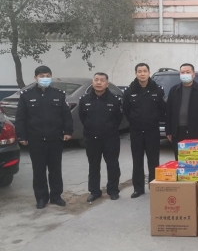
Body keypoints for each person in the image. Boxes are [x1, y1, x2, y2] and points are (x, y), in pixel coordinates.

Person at [15, 66, 73, 209]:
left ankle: (56, 196)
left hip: (55, 138)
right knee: (39, 170)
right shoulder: (26, 95)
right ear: (35, 78)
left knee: (55, 169)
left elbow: (66, 115)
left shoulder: (59, 94)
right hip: (35, 139)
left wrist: (68, 131)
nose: (45, 78)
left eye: (47, 75)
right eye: (42, 76)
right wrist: (22, 136)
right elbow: (20, 118)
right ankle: (41, 198)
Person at [79, 73, 123, 203]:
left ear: (107, 84)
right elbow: (83, 118)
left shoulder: (114, 100)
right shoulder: (84, 100)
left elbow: (118, 119)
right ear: (92, 82)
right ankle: (94, 191)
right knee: (93, 166)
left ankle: (113, 190)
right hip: (91, 139)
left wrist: (108, 129)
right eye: (96, 80)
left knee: (113, 165)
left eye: (102, 80)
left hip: (110, 139)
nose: (99, 82)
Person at [123, 63, 165, 198]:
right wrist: (135, 121)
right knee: (137, 161)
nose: (142, 74)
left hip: (152, 131)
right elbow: (126, 110)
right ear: (135, 73)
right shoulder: (129, 91)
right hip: (136, 132)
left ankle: (154, 185)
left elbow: (162, 109)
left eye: (145, 71)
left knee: (154, 160)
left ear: (149, 73)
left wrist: (153, 119)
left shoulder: (157, 90)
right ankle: (138, 188)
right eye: (139, 71)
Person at [166, 63, 198, 159]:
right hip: (177, 132)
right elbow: (169, 112)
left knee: (193, 159)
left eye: (188, 72)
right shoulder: (174, 90)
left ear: (193, 74)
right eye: (182, 72)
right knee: (179, 159)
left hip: (195, 132)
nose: (185, 74)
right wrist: (168, 131)